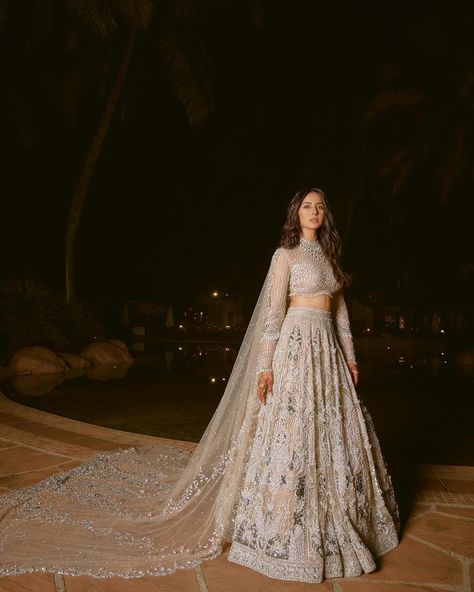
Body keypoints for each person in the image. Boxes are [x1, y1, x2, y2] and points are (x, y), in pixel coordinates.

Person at [0, 188, 400, 584]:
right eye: (307, 207)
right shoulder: (285, 256)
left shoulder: (330, 258)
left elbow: (341, 313)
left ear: (325, 215)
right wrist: (265, 368)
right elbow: (274, 314)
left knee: (334, 430)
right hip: (295, 348)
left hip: (327, 350)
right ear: (296, 214)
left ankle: (336, 513)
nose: (314, 212)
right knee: (292, 432)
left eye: (320, 207)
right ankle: (281, 519)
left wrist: (349, 356)